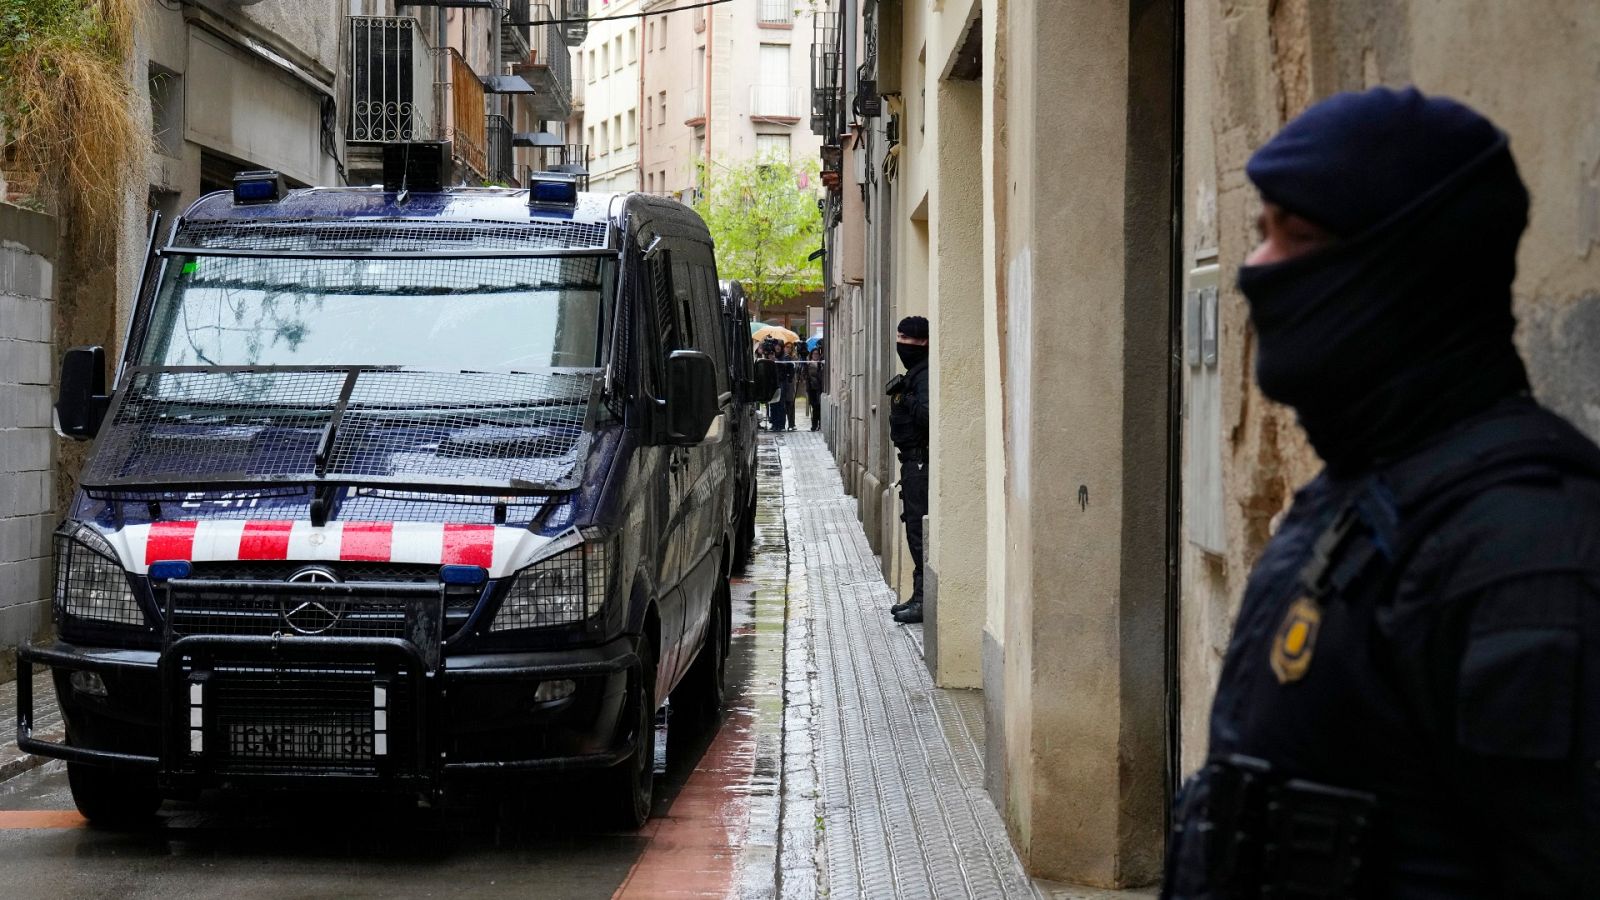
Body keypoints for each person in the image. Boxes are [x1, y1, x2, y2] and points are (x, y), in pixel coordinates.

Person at [1163, 87, 1600, 898]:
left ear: (1406, 271)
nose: (1255, 270)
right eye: (1260, 232)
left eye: (1297, 237)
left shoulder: (1528, 551)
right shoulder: (1353, 501)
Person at [887, 316, 930, 624]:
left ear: (924, 342)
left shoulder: (924, 376)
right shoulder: (915, 374)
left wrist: (907, 398)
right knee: (913, 525)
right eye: (899, 336)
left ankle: (923, 599)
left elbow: (928, 415)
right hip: (911, 462)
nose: (902, 343)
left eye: (908, 338)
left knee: (918, 529)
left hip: (920, 461)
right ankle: (918, 596)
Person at [778, 343, 799, 431]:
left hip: (790, 384)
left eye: (790, 348)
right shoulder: (781, 357)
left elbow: (795, 369)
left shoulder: (794, 358)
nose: (788, 349)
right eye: (787, 347)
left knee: (790, 403)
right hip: (783, 383)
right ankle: (782, 424)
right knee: (782, 404)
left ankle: (791, 424)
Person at [806, 343, 825, 431]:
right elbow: (808, 376)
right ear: (811, 355)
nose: (816, 355)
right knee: (815, 408)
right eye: (814, 354)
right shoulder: (809, 364)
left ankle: (820, 424)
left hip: (820, 388)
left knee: (819, 407)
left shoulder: (821, 364)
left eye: (817, 354)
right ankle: (814, 425)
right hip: (812, 389)